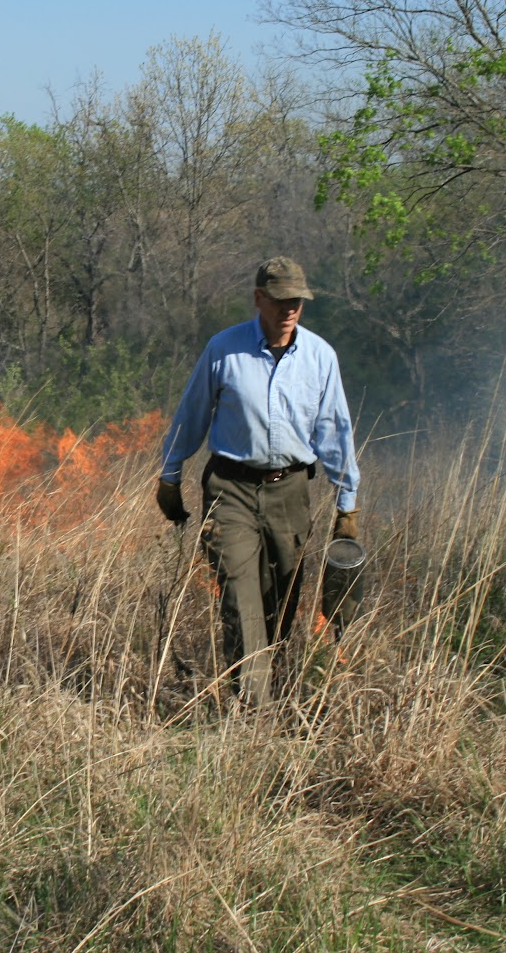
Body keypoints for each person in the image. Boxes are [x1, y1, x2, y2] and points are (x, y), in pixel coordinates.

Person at [156, 256, 361, 707]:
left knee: (281, 600)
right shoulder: (223, 350)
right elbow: (191, 415)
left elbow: (334, 431)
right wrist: (170, 477)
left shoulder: (320, 357)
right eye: (281, 299)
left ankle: (273, 688)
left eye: (298, 301)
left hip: (290, 491)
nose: (290, 308)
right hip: (229, 490)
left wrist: (348, 505)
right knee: (240, 596)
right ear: (259, 299)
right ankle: (254, 714)